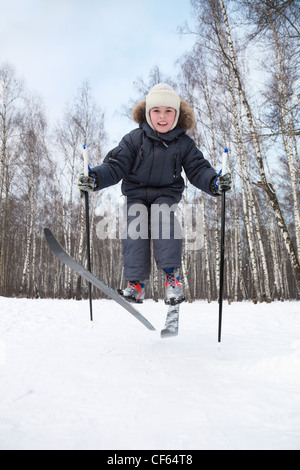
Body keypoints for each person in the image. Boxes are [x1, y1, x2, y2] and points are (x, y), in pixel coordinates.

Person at [78, 83, 231, 305]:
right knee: (135, 227)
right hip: (136, 194)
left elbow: (198, 169)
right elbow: (114, 166)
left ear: (176, 114)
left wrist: (215, 182)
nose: (162, 117)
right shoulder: (133, 139)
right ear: (148, 114)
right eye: (156, 111)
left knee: (163, 218)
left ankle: (172, 279)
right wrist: (95, 178)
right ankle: (136, 284)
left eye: (168, 111)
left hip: (165, 195)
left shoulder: (184, 144)